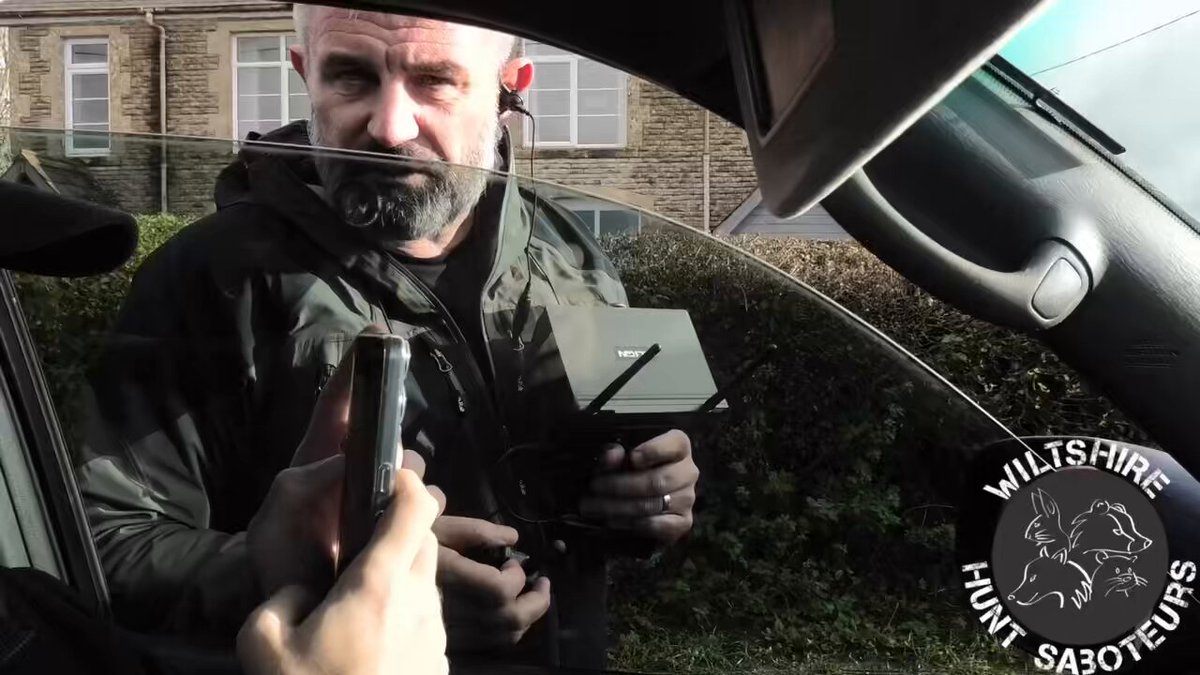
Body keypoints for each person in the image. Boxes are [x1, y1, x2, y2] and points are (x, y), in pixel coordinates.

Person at [73, 4, 700, 670]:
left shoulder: (573, 255)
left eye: (434, 80)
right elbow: (101, 544)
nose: (390, 127)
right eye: (351, 77)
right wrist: (334, 581)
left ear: (510, 87)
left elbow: (620, 477)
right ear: (304, 72)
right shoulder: (209, 278)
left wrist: (649, 500)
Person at [0, 183, 447, 675]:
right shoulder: (210, 268)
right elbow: (112, 533)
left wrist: (307, 575)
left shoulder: (36, 618)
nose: (389, 137)